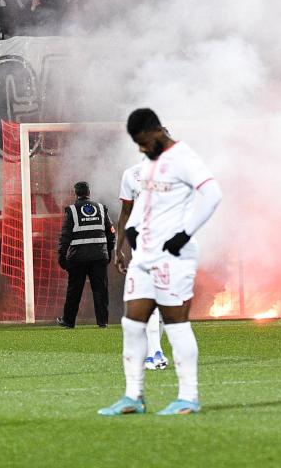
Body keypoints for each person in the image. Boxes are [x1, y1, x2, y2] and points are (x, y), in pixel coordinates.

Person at [99, 108, 222, 416]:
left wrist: (184, 234)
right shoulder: (148, 164)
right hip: (144, 256)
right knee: (131, 324)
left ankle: (188, 398)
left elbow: (212, 194)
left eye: (142, 141)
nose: (140, 148)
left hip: (173, 258)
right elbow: (147, 203)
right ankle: (133, 397)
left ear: (156, 132)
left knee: (176, 325)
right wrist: (132, 230)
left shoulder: (184, 158)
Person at [116, 160, 169, 371]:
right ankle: (154, 352)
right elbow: (125, 212)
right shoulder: (131, 174)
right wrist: (118, 248)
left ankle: (154, 349)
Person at [56, 182, 114, 329]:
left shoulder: (72, 211)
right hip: (99, 256)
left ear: (75, 193)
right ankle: (103, 322)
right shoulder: (101, 208)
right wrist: (108, 251)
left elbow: (65, 236)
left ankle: (69, 321)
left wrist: (62, 256)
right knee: (100, 290)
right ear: (89, 192)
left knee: (74, 290)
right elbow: (111, 232)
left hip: (78, 258)